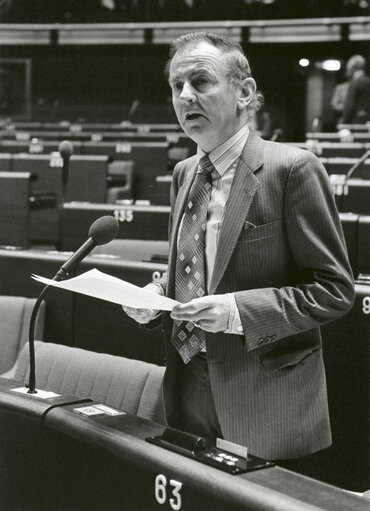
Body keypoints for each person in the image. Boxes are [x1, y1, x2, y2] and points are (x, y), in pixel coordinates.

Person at [122, 32, 355, 468]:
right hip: (188, 383)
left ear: (244, 92)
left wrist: (237, 312)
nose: (186, 95)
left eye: (201, 81)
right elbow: (197, 266)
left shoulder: (292, 169)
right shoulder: (184, 172)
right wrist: (157, 295)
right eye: (177, 86)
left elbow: (334, 290)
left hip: (264, 396)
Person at [342, 54, 370, 123]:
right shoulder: (368, 81)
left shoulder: (354, 83)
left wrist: (345, 122)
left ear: (352, 67)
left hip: (356, 122)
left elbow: (350, 105)